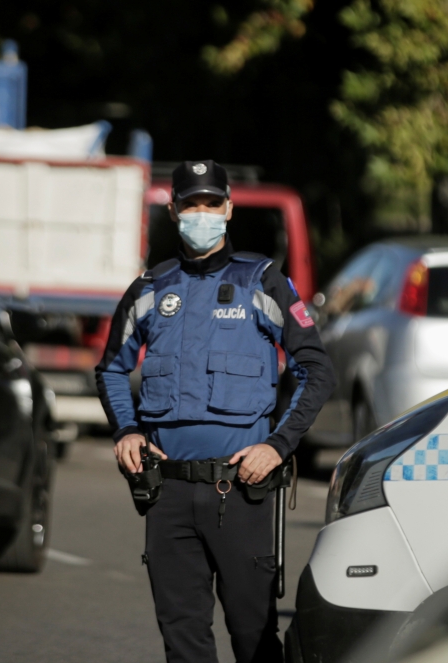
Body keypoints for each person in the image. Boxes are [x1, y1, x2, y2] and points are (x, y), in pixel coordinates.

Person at [95, 160, 336, 663]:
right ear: (173, 209)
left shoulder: (263, 282)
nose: (200, 214)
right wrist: (127, 430)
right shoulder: (149, 290)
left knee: (254, 639)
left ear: (228, 208)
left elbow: (317, 370)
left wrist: (277, 445)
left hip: (241, 492)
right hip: (168, 493)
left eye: (210, 203)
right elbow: (112, 369)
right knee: (183, 641)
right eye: (190, 204)